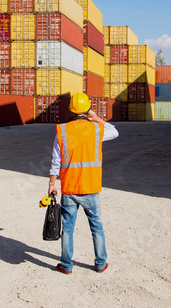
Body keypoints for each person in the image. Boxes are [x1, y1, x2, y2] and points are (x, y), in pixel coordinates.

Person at [48, 93, 119, 275]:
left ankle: (66, 265)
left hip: (70, 188)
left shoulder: (62, 130)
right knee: (96, 226)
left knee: (68, 229)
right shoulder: (96, 129)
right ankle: (100, 263)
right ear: (87, 109)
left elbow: (56, 161)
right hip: (91, 188)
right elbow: (114, 131)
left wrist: (51, 184)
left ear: (71, 109)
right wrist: (96, 118)